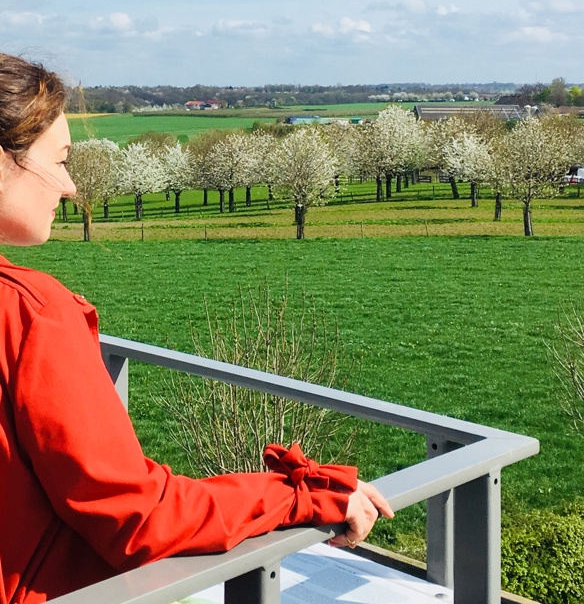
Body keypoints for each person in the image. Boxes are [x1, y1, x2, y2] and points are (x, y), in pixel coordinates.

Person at [0, 53, 393, 604]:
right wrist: (302, 495)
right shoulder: (29, 312)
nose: (68, 187)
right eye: (59, 160)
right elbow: (136, 517)